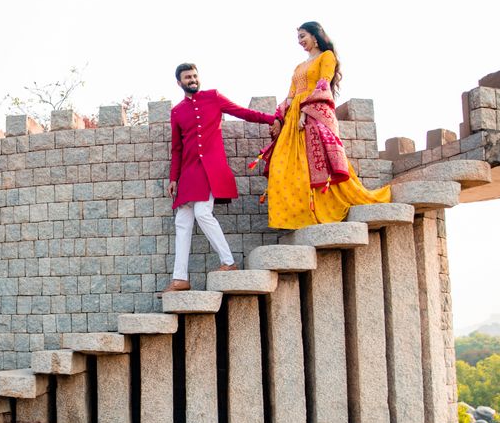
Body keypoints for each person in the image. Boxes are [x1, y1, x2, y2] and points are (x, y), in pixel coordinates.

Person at [259, 22, 390, 229]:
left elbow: (323, 85)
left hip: (313, 115)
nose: (301, 42)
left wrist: (305, 111)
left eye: (303, 36)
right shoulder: (299, 66)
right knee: (282, 166)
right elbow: (290, 95)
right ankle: (297, 217)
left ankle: (317, 213)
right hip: (294, 119)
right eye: (299, 39)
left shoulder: (326, 57)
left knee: (312, 166)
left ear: (315, 35)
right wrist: (278, 117)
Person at [161, 63, 276, 294]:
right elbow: (177, 149)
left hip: (210, 169)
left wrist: (271, 119)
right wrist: (173, 178)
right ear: (179, 82)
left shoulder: (213, 97)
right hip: (189, 172)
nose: (192, 79)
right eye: (187, 77)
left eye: (194, 76)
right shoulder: (177, 112)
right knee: (182, 222)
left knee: (203, 212)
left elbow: (242, 112)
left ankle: (228, 262)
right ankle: (180, 279)